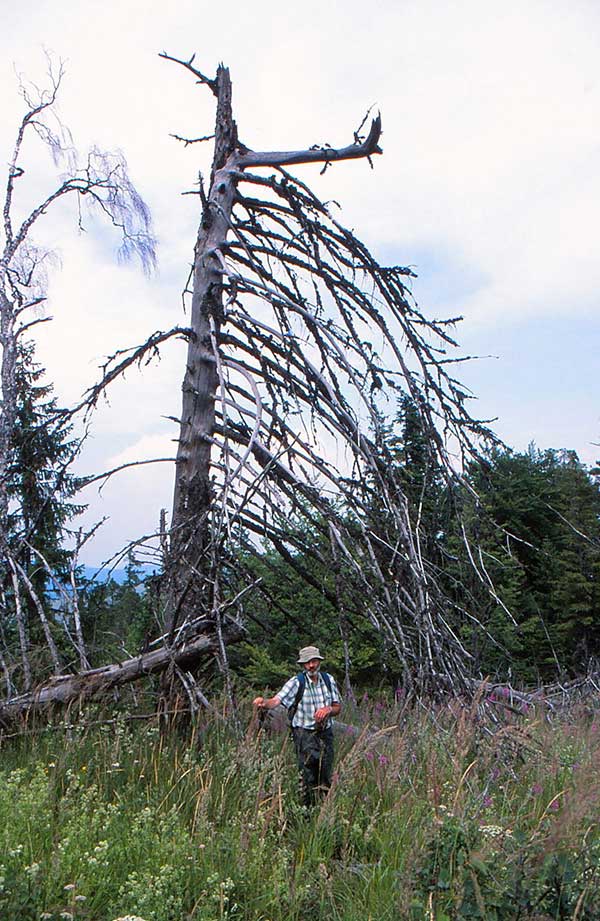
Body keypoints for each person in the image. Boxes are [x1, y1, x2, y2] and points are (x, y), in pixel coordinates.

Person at [253, 645, 342, 807]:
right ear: (303, 665)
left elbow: (337, 707)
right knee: (307, 776)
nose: (311, 666)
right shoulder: (296, 682)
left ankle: (324, 809)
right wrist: (263, 703)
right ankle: (306, 811)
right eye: (307, 662)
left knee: (325, 774)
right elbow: (276, 700)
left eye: (314, 661)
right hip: (304, 735)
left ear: (319, 661)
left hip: (325, 734)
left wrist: (328, 710)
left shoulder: (328, 680)